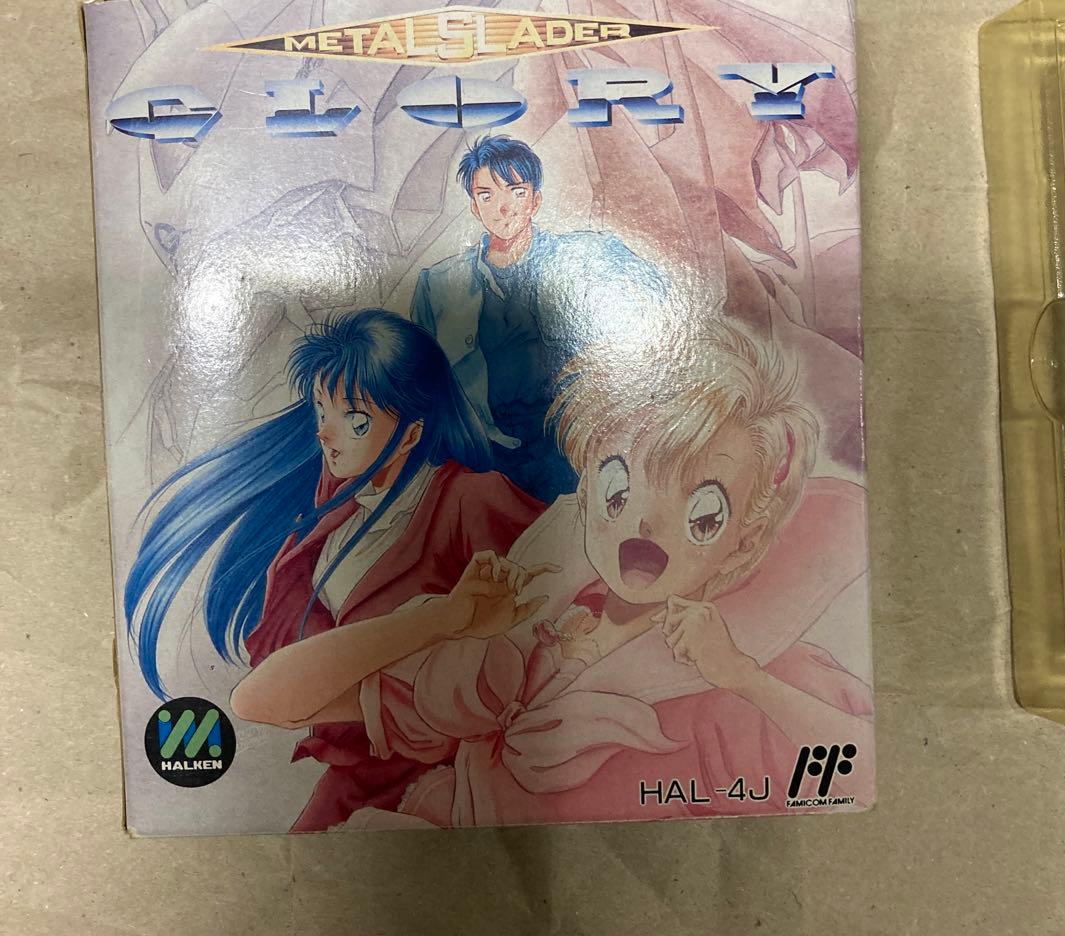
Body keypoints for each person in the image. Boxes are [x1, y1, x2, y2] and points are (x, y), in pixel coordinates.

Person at [313, 319, 874, 828]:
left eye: (702, 514)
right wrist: (445, 624)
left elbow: (862, 773)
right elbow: (288, 702)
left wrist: (744, 677)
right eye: (619, 488)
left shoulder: (745, 676)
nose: (646, 523)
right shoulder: (540, 613)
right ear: (585, 485)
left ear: (743, 541)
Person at [125, 308, 546, 831]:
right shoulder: (338, 513)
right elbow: (281, 684)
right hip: (358, 765)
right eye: (321, 410)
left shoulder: (469, 499)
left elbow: (552, 598)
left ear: (411, 434)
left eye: (355, 419)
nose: (325, 433)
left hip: (447, 774)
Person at [410, 134, 667, 504]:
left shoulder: (585, 257)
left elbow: (659, 302)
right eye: (486, 195)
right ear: (474, 207)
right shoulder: (437, 286)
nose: (502, 207)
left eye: (516, 191)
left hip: (577, 459)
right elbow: (423, 391)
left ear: (535, 200)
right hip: (486, 466)